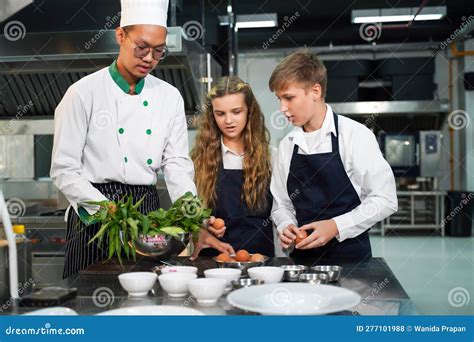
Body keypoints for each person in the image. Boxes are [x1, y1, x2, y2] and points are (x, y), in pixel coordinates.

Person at [51, 0, 231, 277]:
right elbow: (64, 169)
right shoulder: (82, 93)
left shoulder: (169, 97)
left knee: (145, 299)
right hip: (96, 212)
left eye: (158, 51)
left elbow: (176, 165)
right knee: (88, 299)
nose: (149, 58)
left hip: (147, 213)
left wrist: (196, 217)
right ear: (120, 35)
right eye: (142, 47)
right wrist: (105, 209)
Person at [269, 50, 398, 263]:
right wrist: (286, 225)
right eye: (279, 99)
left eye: (289, 98)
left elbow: (385, 199)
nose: (282, 108)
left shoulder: (356, 136)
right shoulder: (287, 146)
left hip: (351, 262)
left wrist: (336, 226)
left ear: (315, 91)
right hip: (303, 263)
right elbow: (281, 204)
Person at [190, 76, 280, 258]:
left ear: (249, 111)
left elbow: (281, 211)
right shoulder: (199, 160)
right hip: (213, 264)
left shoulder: (272, 157)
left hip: (261, 263)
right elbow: (189, 213)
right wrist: (200, 228)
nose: (228, 121)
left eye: (236, 112)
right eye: (220, 113)